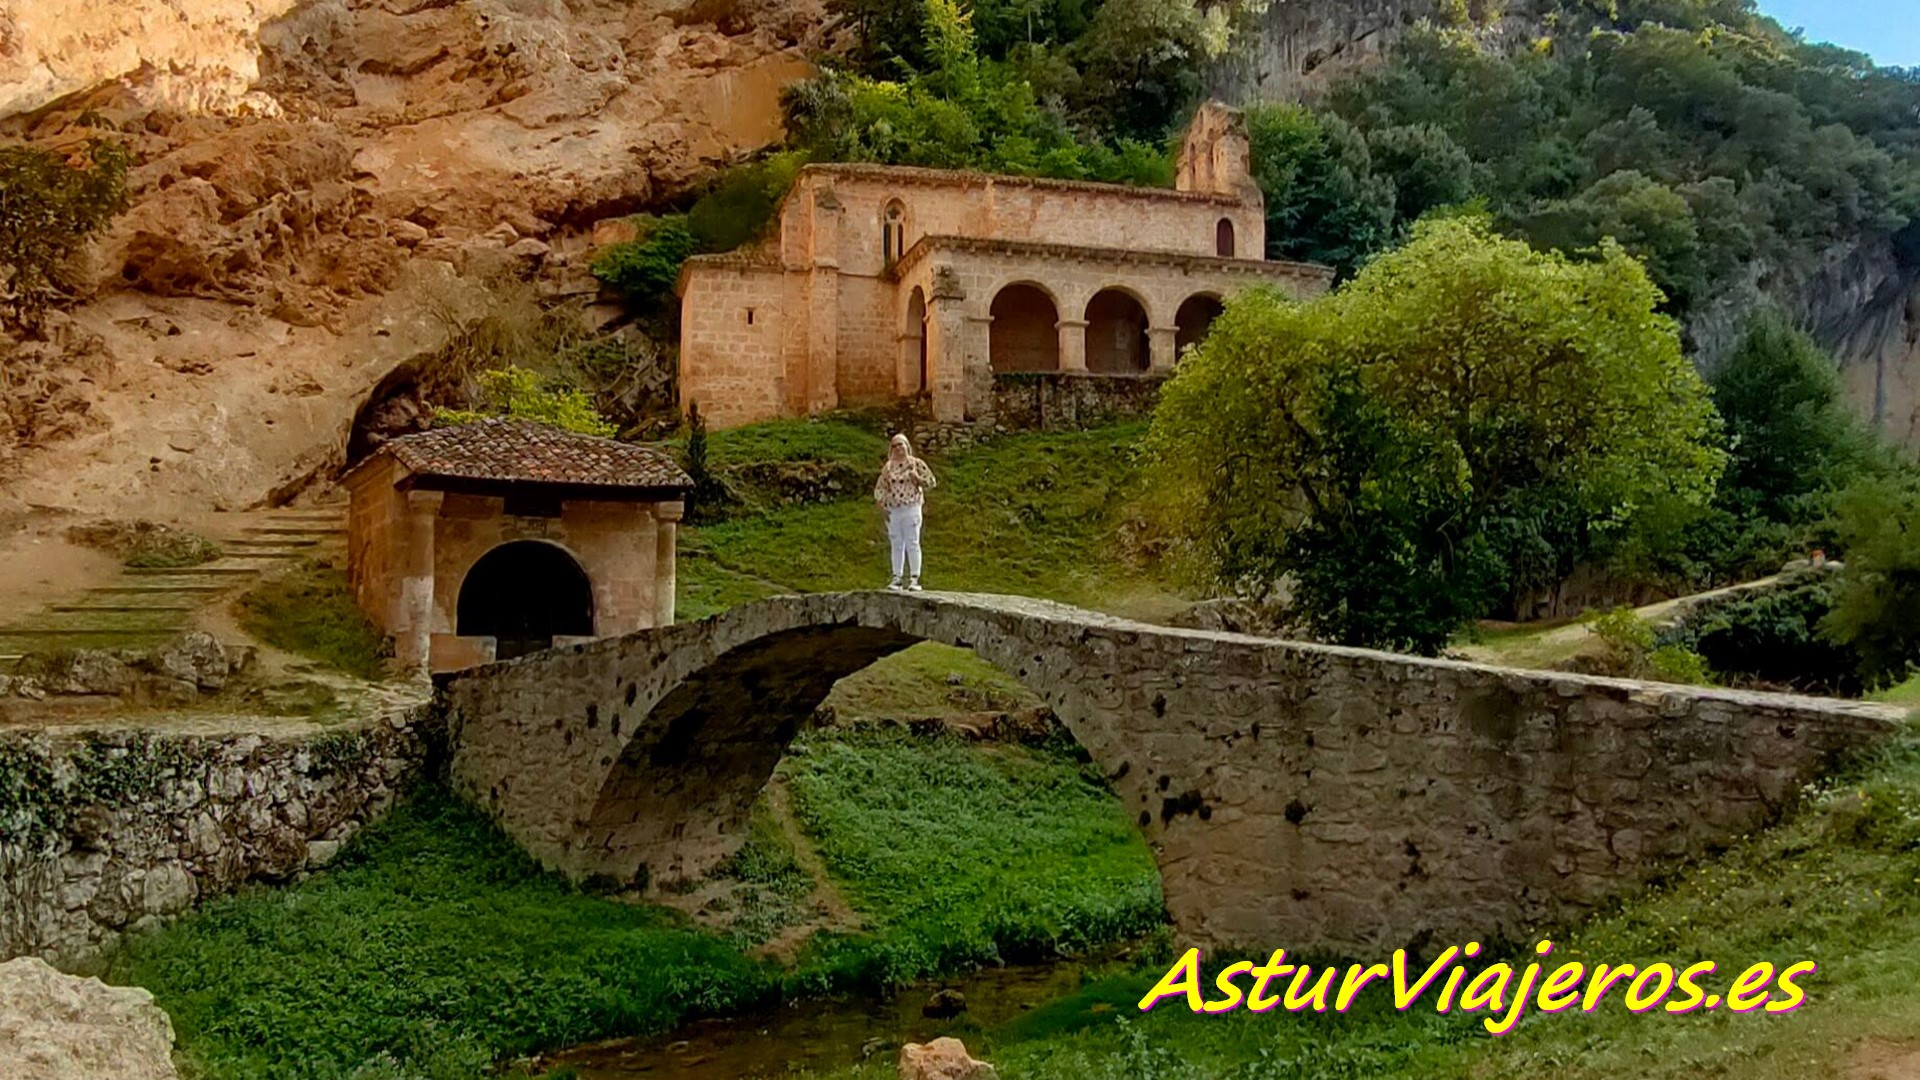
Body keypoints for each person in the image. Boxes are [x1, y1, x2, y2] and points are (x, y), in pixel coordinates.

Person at [874, 433, 937, 591]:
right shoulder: (888, 467)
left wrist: (918, 479)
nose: (898, 448)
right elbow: (880, 488)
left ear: (907, 446)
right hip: (893, 509)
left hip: (911, 506)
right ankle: (897, 577)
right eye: (894, 445)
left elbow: (931, 481)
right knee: (896, 542)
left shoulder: (915, 464)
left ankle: (914, 578)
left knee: (912, 541)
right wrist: (881, 505)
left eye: (900, 444)